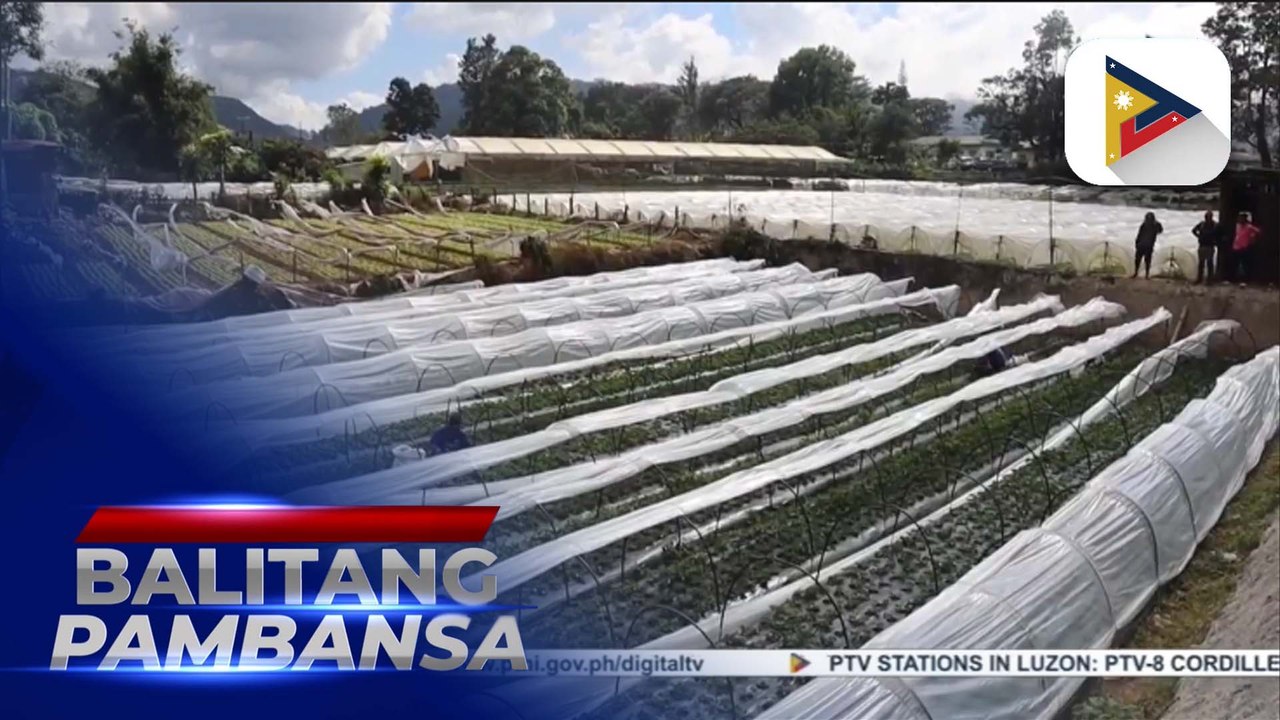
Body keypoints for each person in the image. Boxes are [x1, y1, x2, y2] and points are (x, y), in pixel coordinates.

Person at [1232, 211, 1262, 285]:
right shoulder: (1237, 225)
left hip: (1244, 247)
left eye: (1242, 218)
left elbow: (1258, 231)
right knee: (1236, 263)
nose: (1240, 219)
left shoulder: (1249, 227)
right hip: (1236, 247)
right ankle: (1236, 278)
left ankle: (1245, 279)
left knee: (1245, 264)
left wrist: (1252, 237)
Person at [1132, 212, 1163, 279]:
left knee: (1146, 260)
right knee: (1138, 260)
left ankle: (1145, 274)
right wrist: (1137, 243)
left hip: (1147, 245)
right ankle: (1138, 273)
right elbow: (1139, 234)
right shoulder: (1144, 225)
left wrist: (1137, 242)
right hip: (1142, 244)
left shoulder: (1155, 225)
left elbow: (1160, 230)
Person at [1192, 210, 1217, 283]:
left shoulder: (1215, 225)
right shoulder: (1202, 224)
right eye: (1206, 216)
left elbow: (1219, 233)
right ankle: (1199, 278)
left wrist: (1215, 241)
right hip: (1202, 245)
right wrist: (1198, 236)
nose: (1207, 218)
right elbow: (1193, 230)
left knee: (1209, 263)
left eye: (1209, 216)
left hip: (1210, 246)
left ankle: (1209, 279)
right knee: (1201, 263)